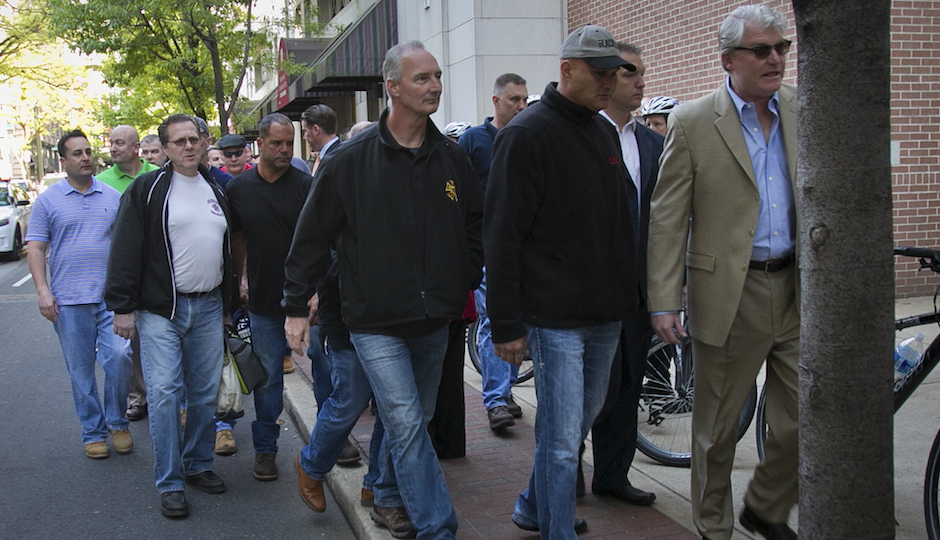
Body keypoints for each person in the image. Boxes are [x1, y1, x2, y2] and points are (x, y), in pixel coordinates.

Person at [283, 40, 483, 539]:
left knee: (417, 417)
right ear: (392, 87)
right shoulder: (350, 160)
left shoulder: (452, 158)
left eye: (437, 76)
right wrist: (295, 306)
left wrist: (461, 277)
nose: (435, 86)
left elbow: (475, 227)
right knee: (406, 420)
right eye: (422, 78)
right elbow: (311, 238)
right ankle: (438, 527)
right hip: (373, 321)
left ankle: (389, 495)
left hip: (434, 318)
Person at [646, 5, 798, 540]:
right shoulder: (692, 122)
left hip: (797, 287)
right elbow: (668, 217)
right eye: (761, 50)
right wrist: (665, 299)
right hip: (730, 291)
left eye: (781, 47)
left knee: (802, 417)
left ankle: (765, 506)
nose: (775, 58)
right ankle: (714, 527)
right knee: (716, 430)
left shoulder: (800, 108)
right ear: (729, 59)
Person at [485, 25, 638, 538]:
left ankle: (534, 505)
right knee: (559, 438)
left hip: (605, 314)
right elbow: (501, 235)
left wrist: (634, 299)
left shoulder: (602, 132)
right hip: (554, 319)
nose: (609, 82)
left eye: (614, 74)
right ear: (567, 70)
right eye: (600, 73)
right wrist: (506, 323)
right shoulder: (526, 134)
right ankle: (556, 528)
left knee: (573, 428)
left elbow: (619, 224)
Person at [105, 113, 238, 519]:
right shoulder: (147, 190)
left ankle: (197, 463)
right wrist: (123, 307)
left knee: (203, 393)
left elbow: (228, 248)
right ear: (164, 149)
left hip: (209, 305)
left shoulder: (217, 187)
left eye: (194, 139)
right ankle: (171, 482)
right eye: (179, 141)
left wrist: (229, 304)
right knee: (164, 393)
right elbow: (125, 248)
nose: (188, 146)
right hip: (161, 309)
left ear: (203, 141)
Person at [26, 129, 132, 460]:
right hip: (68, 302)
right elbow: (36, 248)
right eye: (77, 153)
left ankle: (117, 422)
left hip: (110, 299)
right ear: (63, 161)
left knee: (120, 358)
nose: (85, 158)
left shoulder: (111, 196)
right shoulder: (48, 200)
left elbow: (126, 246)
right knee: (81, 372)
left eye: (88, 152)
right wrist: (43, 291)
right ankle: (93, 432)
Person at [588, 42, 662, 506]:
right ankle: (561, 480)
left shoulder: (654, 143)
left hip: (639, 291)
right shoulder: (579, 133)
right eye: (631, 72)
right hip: (590, 293)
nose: (640, 82)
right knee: (587, 391)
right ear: (608, 76)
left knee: (629, 385)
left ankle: (613, 475)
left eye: (642, 73)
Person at [222, 113, 313, 481]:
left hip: (307, 302)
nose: (285, 150)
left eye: (289, 143)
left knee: (326, 373)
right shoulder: (238, 190)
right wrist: (240, 281)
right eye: (277, 143)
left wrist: (317, 293)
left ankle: (332, 441)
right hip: (262, 302)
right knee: (268, 379)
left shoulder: (306, 186)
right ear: (259, 144)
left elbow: (321, 241)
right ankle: (265, 450)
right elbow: (236, 239)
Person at [458, 72, 528, 430]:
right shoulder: (473, 141)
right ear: (496, 101)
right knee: (492, 320)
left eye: (525, 100)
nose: (521, 106)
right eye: (515, 99)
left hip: (524, 250)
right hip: (487, 250)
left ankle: (505, 389)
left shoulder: (530, 137)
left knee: (520, 322)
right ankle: (497, 400)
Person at [95, 124, 160, 423]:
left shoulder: (157, 174)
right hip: (126, 275)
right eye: (111, 143)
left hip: (158, 274)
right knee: (129, 341)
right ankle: (138, 397)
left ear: (136, 148)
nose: (113, 148)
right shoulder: (102, 183)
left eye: (120, 143)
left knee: (159, 339)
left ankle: (163, 395)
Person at [301, 103, 340, 176]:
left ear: (315, 130)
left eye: (305, 131)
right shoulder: (337, 155)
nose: (304, 137)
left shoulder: (333, 160)